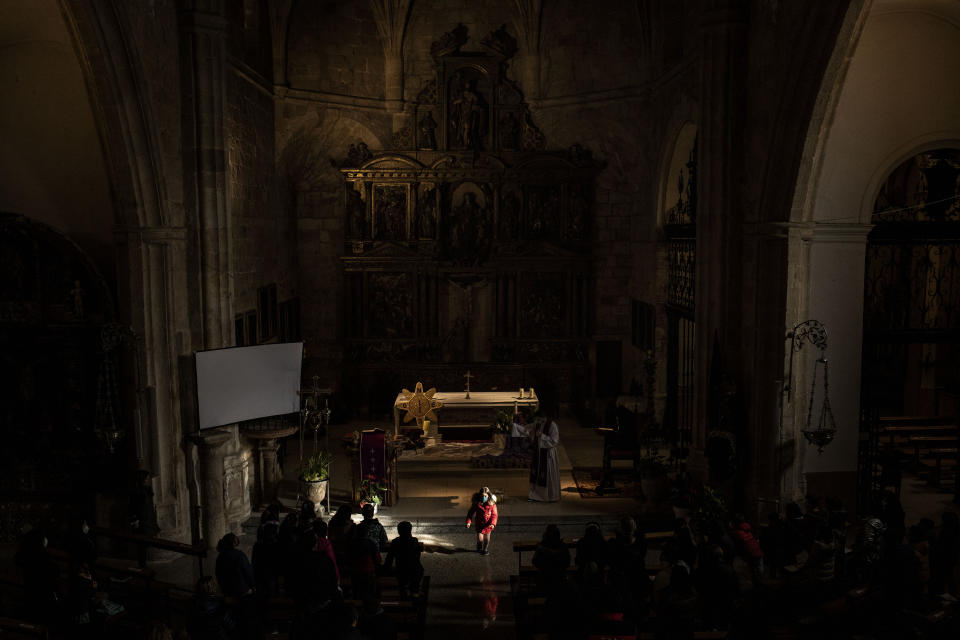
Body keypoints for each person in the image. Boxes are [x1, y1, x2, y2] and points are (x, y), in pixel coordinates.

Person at [513, 407, 561, 502]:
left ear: (544, 417)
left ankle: (550, 496)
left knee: (546, 474)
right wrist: (515, 426)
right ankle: (536, 495)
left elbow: (555, 441)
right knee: (537, 473)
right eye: (537, 419)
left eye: (539, 419)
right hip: (538, 452)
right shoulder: (538, 423)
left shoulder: (552, 425)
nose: (538, 421)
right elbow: (526, 429)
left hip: (547, 454)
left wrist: (541, 436)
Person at [384, 521, 424, 598]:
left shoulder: (395, 542)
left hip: (401, 570)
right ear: (410, 530)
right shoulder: (414, 541)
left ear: (399, 531)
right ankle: (414, 593)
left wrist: (386, 568)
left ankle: (403, 594)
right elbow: (417, 557)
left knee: (402, 583)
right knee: (416, 576)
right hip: (415, 569)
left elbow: (389, 558)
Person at [466, 486, 498, 555]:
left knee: (487, 539)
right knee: (480, 539)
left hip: (488, 525)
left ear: (488, 496)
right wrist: (468, 522)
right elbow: (470, 513)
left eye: (485, 496)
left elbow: (494, 515)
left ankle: (485, 549)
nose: (484, 497)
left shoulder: (492, 504)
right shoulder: (477, 504)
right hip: (479, 524)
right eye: (482, 496)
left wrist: (492, 524)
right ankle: (479, 547)